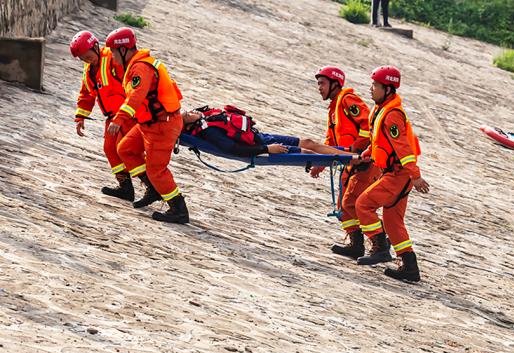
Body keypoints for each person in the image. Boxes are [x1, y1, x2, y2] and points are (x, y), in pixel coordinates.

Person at [105, 27, 189, 224]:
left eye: (114, 52)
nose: (112, 56)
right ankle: (153, 188)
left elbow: (136, 97)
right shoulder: (135, 65)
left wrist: (119, 120)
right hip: (148, 124)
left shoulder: (140, 68)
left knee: (156, 169)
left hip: (162, 125)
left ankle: (178, 208)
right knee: (125, 149)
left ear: (124, 50)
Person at [355, 66, 429, 282]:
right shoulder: (381, 110)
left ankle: (379, 247)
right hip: (399, 174)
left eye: (375, 86)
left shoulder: (392, 115)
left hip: (398, 174)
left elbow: (403, 149)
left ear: (387, 89)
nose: (371, 89)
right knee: (392, 221)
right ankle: (409, 267)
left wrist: (415, 176)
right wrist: (367, 154)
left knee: (363, 204)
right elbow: (379, 141)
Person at [312, 66, 380, 259]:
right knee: (345, 203)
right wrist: (321, 162)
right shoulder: (334, 108)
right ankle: (355, 243)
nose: (319, 87)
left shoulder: (348, 100)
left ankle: (379, 243)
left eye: (322, 83)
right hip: (350, 161)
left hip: (363, 160)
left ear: (335, 84)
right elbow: (331, 141)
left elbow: (368, 126)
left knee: (356, 203)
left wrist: (355, 149)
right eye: (318, 83)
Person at [70, 30, 137, 201]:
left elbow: (132, 81)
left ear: (95, 46)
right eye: (83, 58)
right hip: (112, 118)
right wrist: (81, 116)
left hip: (127, 115)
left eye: (88, 55)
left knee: (128, 150)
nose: (87, 60)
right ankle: (125, 187)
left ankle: (150, 186)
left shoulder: (113, 60)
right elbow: (86, 94)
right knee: (109, 149)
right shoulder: (88, 71)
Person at [181, 105, 357, 158]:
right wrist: (267, 149)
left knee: (308, 142)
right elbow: (233, 149)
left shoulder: (205, 116)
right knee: (307, 152)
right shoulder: (208, 131)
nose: (190, 112)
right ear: (187, 126)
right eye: (187, 115)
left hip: (260, 136)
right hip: (261, 145)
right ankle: (351, 160)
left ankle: (352, 154)